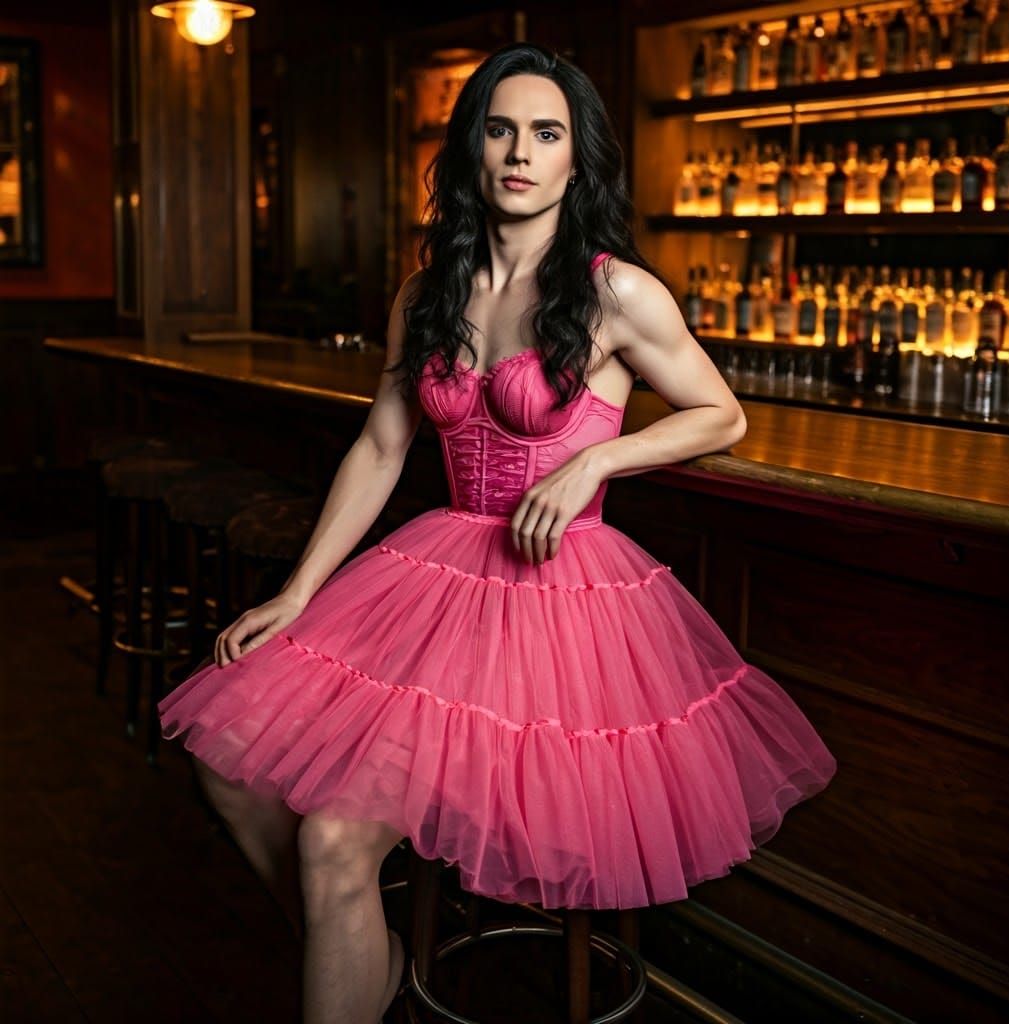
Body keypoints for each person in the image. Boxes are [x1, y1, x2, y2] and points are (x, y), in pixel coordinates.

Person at [158, 42, 837, 1024]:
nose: (521, 151)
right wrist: (299, 590)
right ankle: (360, 949)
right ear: (473, 147)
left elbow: (720, 414)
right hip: (432, 575)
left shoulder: (616, 292)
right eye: (501, 127)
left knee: (334, 839)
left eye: (546, 133)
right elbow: (382, 446)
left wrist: (596, 460)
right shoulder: (426, 290)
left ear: (576, 160)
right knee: (224, 765)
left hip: (558, 608)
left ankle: (356, 947)